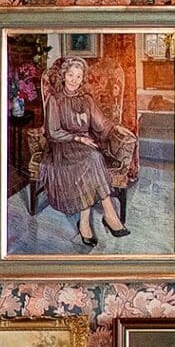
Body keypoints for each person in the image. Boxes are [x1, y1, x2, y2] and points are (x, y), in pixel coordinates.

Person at [30, 54, 134, 248]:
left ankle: (85, 221)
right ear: (63, 76)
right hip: (62, 145)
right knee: (93, 158)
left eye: (78, 77)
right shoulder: (55, 99)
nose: (74, 80)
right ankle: (108, 214)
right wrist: (77, 137)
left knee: (92, 157)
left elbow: (101, 124)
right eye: (71, 75)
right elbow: (53, 132)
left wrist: (117, 128)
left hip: (84, 145)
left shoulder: (86, 99)